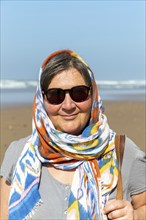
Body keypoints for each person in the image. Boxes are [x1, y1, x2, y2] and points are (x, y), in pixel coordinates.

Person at [0, 49, 146, 220]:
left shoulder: (122, 151)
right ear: (41, 100)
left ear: (92, 95)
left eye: (79, 93)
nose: (68, 105)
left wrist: (135, 215)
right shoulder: (18, 153)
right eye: (56, 95)